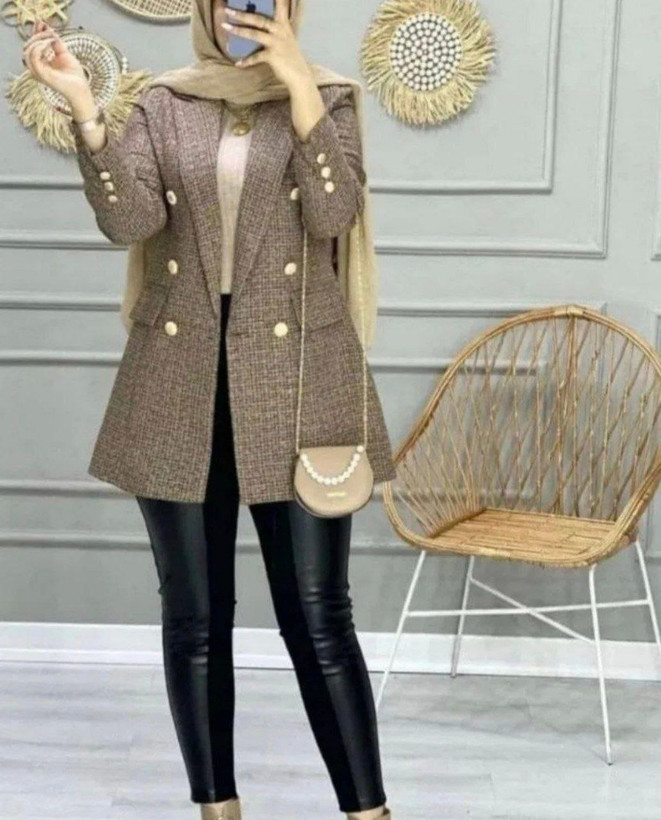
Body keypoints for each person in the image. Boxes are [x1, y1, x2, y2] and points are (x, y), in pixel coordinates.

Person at [21, 1, 396, 818]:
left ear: (289, 9)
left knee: (318, 614)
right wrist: (85, 108)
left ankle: (369, 812)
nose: (244, 11)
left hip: (298, 382)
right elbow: (131, 220)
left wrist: (297, 85)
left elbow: (334, 215)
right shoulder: (165, 101)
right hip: (178, 379)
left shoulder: (327, 97)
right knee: (194, 616)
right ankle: (216, 808)